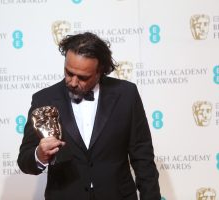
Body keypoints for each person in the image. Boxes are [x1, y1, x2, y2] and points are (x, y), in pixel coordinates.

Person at [17, 32, 161, 200]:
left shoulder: (126, 95)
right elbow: (24, 160)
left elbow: (143, 158)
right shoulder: (44, 99)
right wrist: (39, 155)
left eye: (83, 77)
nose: (73, 82)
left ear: (100, 71)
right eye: (68, 72)